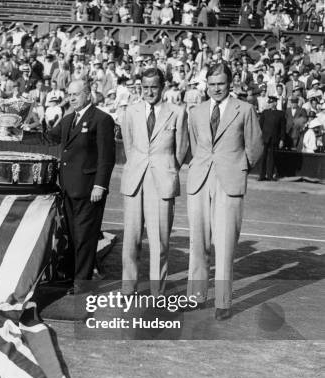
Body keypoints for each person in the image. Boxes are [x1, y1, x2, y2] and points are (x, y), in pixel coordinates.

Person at [186, 63, 263, 320]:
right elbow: (197, 145)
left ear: (230, 84)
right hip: (199, 181)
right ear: (205, 85)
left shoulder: (245, 110)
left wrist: (238, 167)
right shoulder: (195, 112)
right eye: (211, 84)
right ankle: (196, 296)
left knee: (226, 244)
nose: (216, 89)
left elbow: (255, 147)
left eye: (220, 84)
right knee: (198, 242)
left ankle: (223, 301)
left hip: (229, 182)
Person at [119, 68, 189, 297]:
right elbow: (128, 146)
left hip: (162, 181)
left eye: (154, 87)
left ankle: (157, 291)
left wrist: (166, 169)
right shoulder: (130, 111)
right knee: (130, 239)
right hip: (134, 180)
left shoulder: (177, 112)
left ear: (163, 87)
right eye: (145, 87)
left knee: (160, 241)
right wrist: (138, 165)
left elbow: (181, 150)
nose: (149, 91)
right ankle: (128, 288)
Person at [46, 79, 116, 292]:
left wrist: (100, 186)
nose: (71, 98)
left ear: (87, 94)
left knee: (85, 237)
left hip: (88, 189)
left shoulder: (102, 119)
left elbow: (107, 157)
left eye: (75, 94)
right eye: (69, 95)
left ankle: (81, 281)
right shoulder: (68, 120)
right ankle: (70, 276)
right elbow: (48, 138)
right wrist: (16, 131)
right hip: (67, 188)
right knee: (71, 236)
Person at [259, 95, 285, 181]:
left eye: (271, 102)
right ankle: (262, 175)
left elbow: (282, 128)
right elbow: (260, 126)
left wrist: (282, 139)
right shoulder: (265, 112)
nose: (270, 104)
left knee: (272, 157)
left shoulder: (280, 114)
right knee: (263, 157)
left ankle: (270, 175)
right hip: (265, 138)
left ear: (275, 103)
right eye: (269, 102)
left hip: (274, 138)